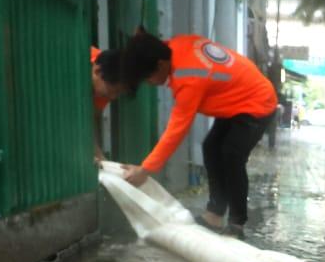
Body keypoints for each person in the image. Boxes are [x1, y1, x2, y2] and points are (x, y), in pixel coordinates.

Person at [119, 31, 278, 234]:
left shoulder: (188, 78)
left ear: (159, 65)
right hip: (237, 100)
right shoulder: (176, 45)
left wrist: (145, 169)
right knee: (211, 147)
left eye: (147, 78)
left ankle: (237, 223)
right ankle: (215, 214)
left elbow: (176, 130)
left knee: (231, 154)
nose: (149, 83)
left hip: (258, 102)